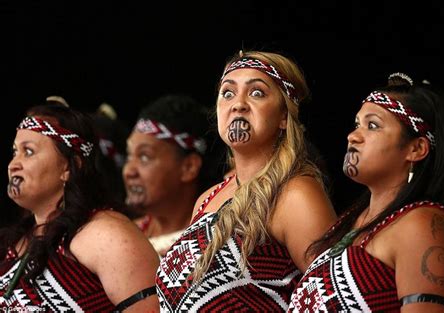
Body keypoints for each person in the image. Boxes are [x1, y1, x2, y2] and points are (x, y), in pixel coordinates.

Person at [155, 50, 337, 312]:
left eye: (256, 93)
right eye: (227, 93)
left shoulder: (295, 193)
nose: (237, 104)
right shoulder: (206, 200)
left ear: (284, 117)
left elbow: (333, 298)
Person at [288, 73, 444, 312]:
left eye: (372, 125)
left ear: (416, 149)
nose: (353, 136)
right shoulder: (353, 220)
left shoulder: (422, 224)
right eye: (357, 124)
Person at [0, 102, 159, 312]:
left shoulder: (107, 236)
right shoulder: (15, 244)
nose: (13, 165)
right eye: (14, 152)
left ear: (69, 166)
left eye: (28, 151)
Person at [123, 94, 218, 256]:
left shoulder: (216, 242)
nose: (128, 171)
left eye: (145, 156)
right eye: (129, 156)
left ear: (189, 167)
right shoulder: (126, 236)